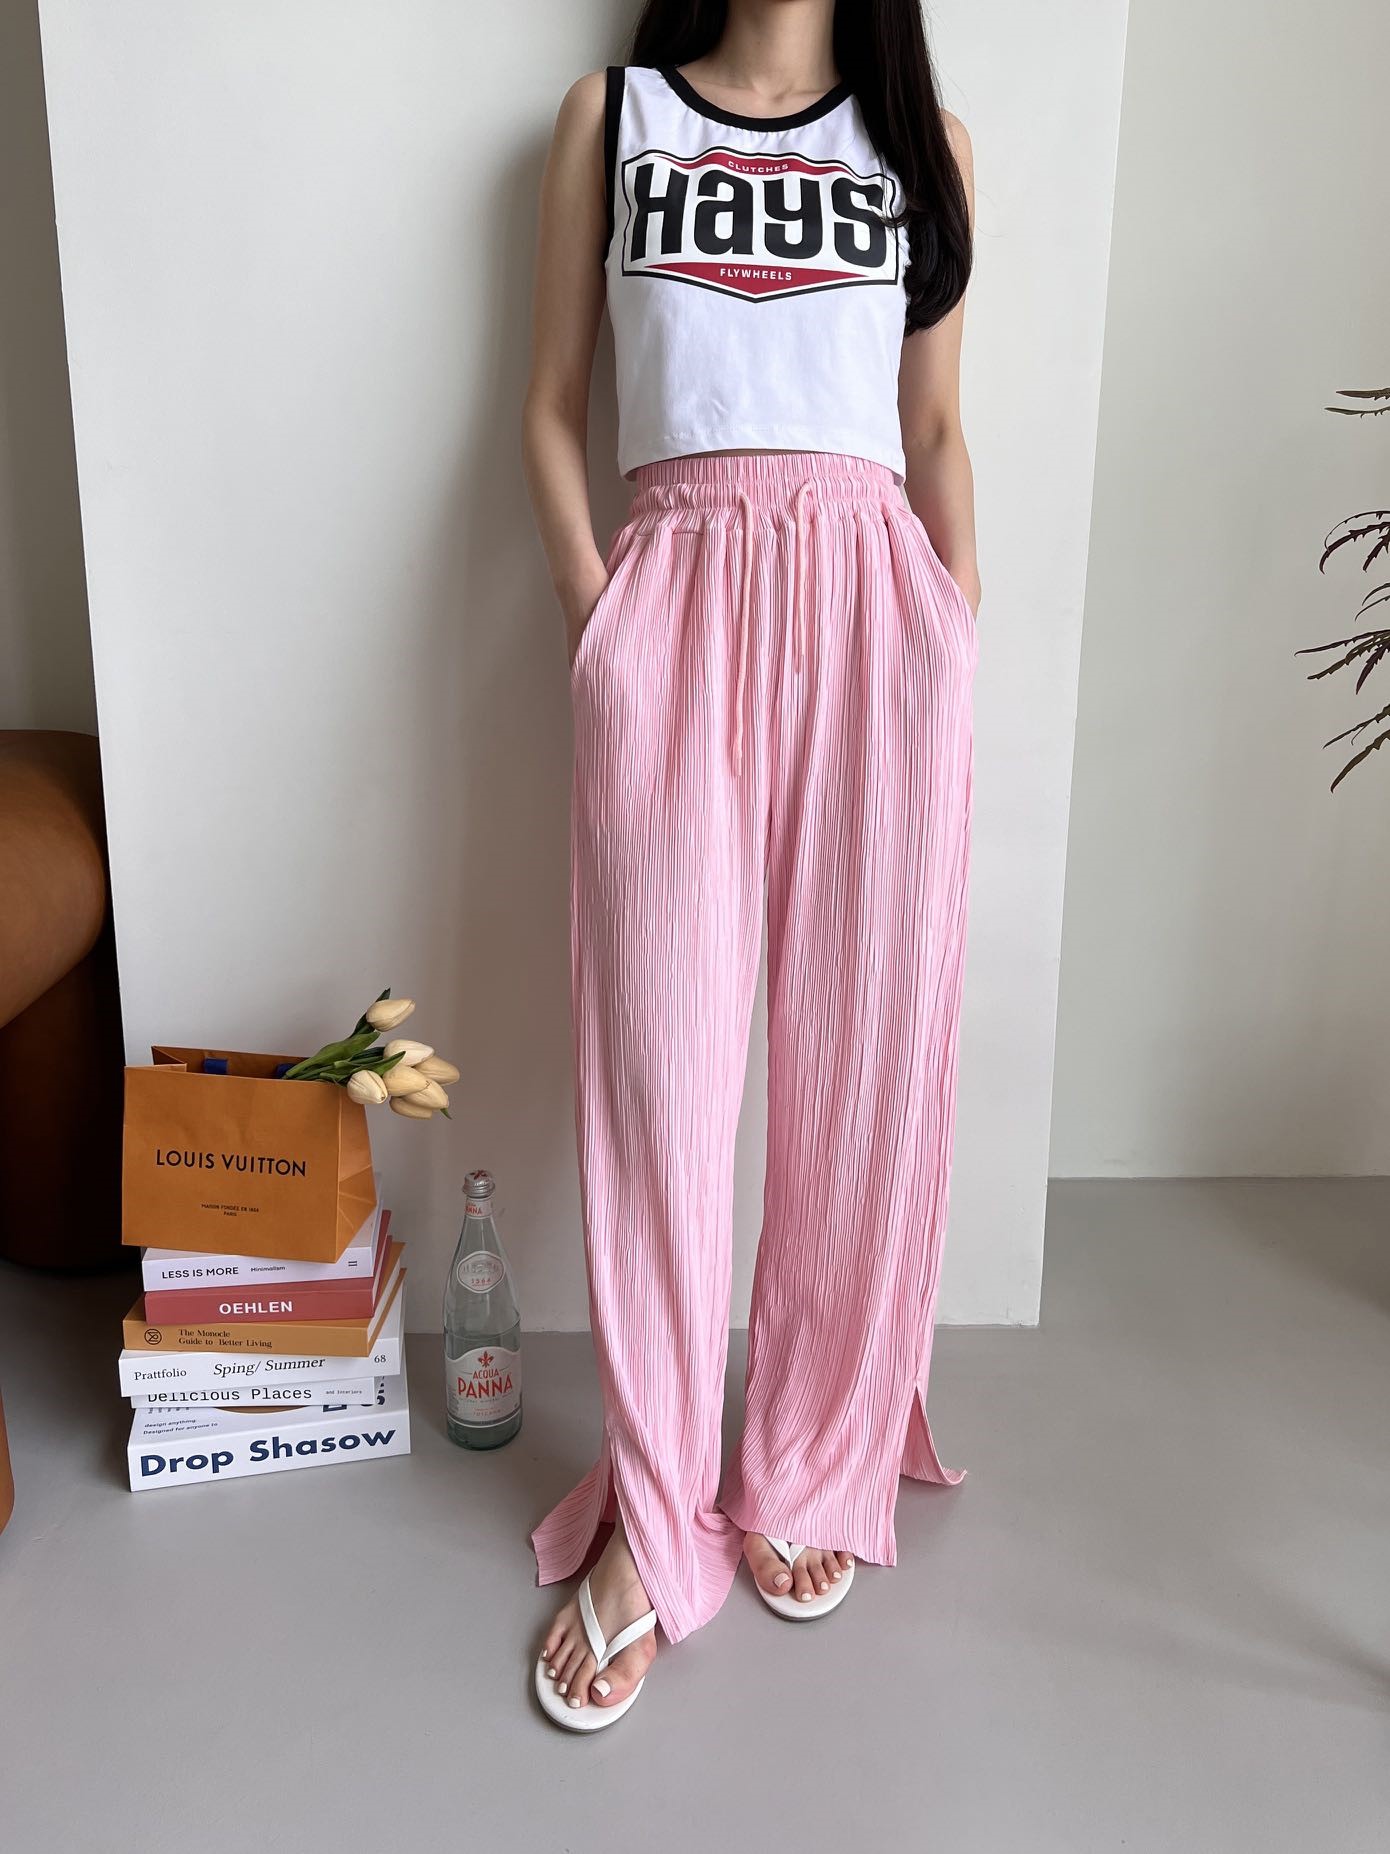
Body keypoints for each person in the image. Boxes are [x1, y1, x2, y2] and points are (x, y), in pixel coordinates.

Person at [521, 0, 979, 1732]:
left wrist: (951, 618)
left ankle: (809, 1452)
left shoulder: (920, 145)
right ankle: (656, 1517)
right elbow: (548, 407)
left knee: (860, 1069)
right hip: (674, 604)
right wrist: (602, 620)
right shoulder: (613, 116)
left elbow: (934, 426)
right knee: (663, 1080)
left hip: (875, 615)